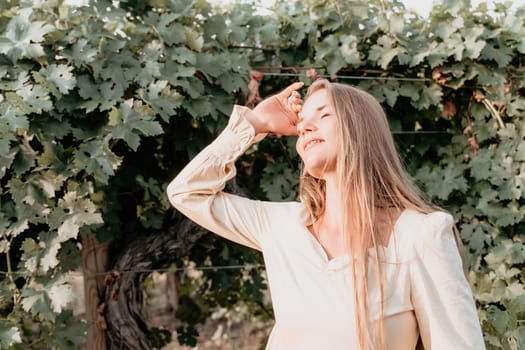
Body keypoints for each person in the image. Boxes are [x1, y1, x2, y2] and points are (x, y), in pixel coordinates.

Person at [166, 79, 485, 349]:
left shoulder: (421, 235)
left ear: (359, 129)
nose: (304, 126)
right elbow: (186, 192)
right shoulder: (282, 227)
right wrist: (254, 125)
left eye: (323, 114)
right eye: (302, 120)